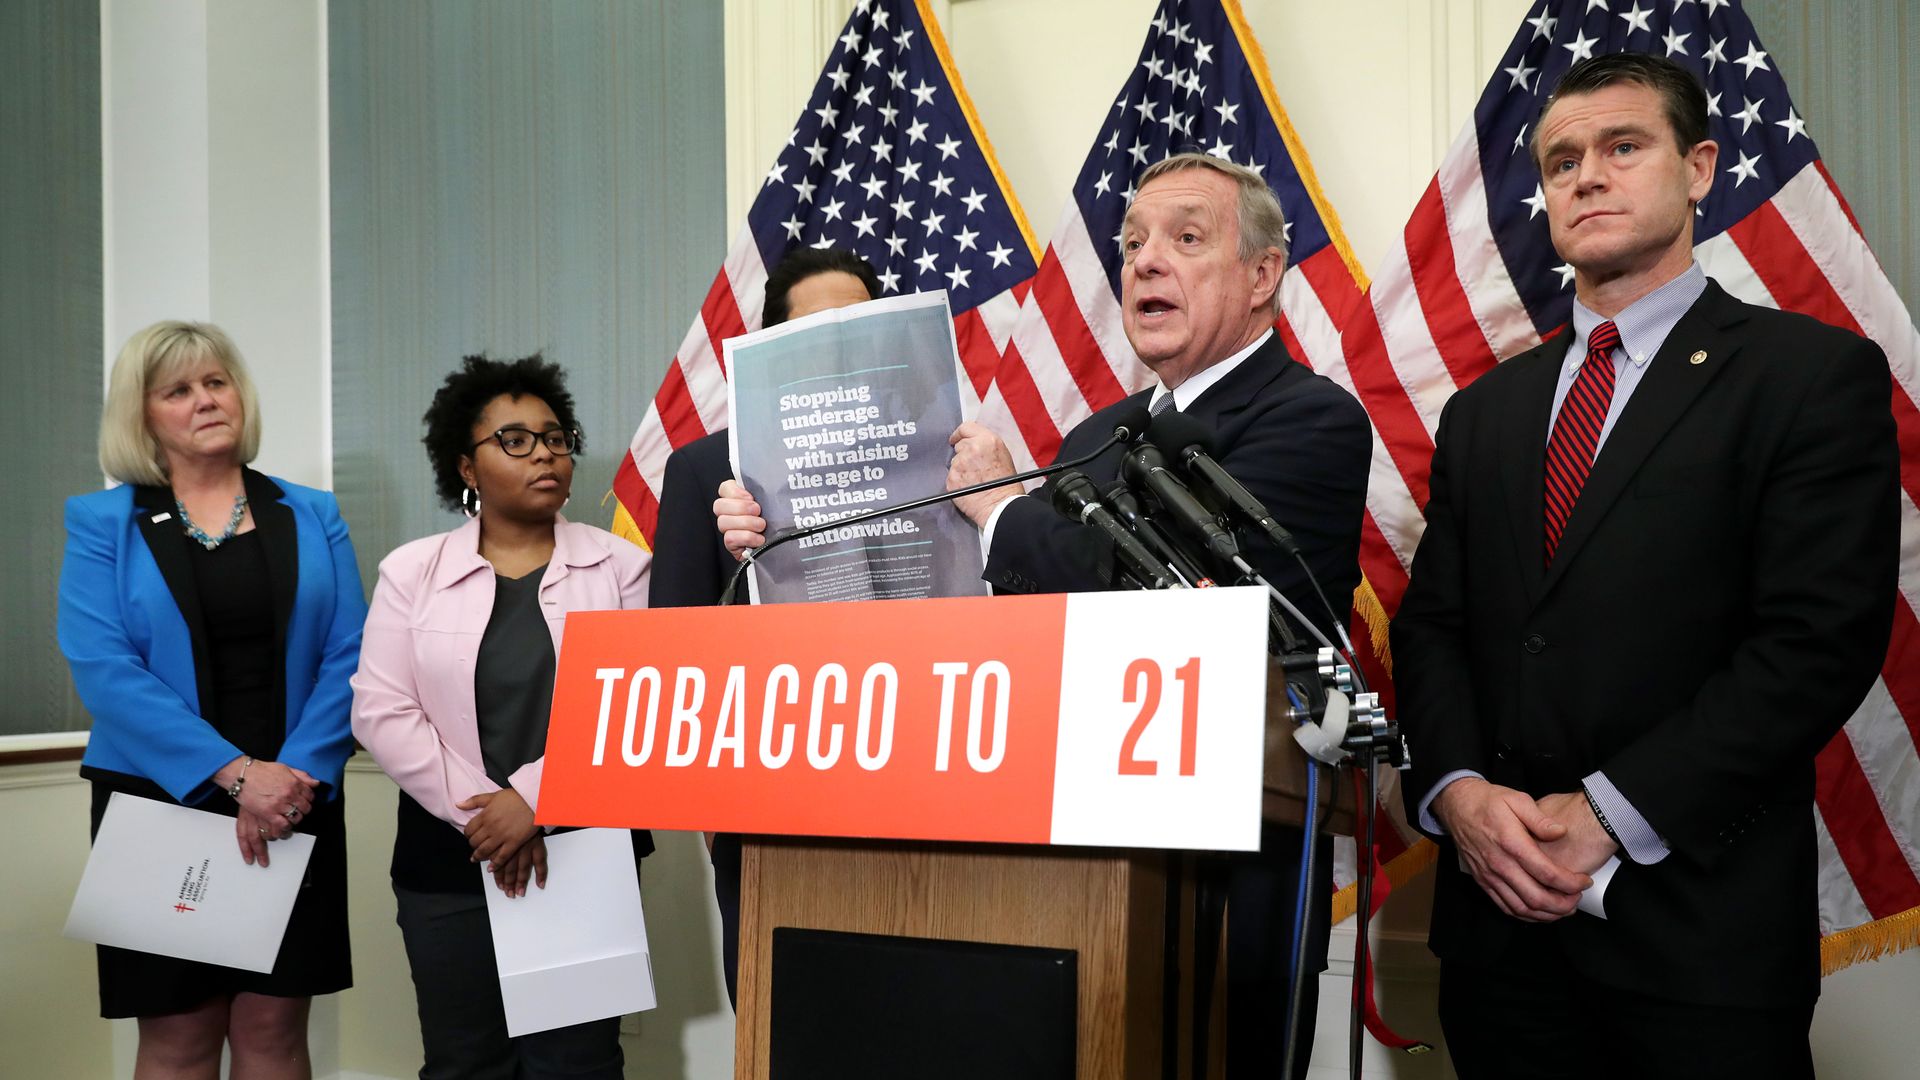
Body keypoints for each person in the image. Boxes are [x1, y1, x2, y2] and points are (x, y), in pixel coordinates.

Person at [719, 153, 1374, 1077]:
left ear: (1263, 275)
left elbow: (1188, 603)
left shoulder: (1312, 420)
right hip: (1059, 869)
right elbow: (1003, 616)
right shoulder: (1094, 440)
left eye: (1185, 240)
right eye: (1134, 242)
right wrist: (781, 538)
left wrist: (1002, 512)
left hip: (1230, 872)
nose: (1145, 263)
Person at [1392, 53, 1897, 1079]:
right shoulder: (1484, 412)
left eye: (1624, 148)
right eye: (1563, 159)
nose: (1587, 177)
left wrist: (1610, 817)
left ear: (1698, 168)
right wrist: (1454, 792)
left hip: (1698, 948)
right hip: (1498, 946)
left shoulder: (1808, 376)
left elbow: (1815, 646)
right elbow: (1434, 624)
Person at [58, 320, 365, 1079]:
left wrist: (294, 777)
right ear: (143, 415)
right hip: (158, 801)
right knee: (179, 1040)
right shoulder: (102, 524)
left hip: (297, 797)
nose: (205, 400)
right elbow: (104, 668)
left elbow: (352, 655)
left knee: (272, 1034)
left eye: (216, 382)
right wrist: (234, 774)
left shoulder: (313, 511)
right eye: (179, 390)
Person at [351, 355, 651, 1080]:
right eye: (515, 440)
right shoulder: (410, 572)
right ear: (467, 466)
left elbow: (631, 706)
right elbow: (380, 710)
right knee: (464, 1063)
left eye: (555, 436)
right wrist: (487, 816)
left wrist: (535, 804)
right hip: (445, 861)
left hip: (584, 851)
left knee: (575, 1063)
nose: (545, 452)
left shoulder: (623, 568)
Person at [650, 245, 880, 1007]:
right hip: (769, 805)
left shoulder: (932, 453)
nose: (836, 342)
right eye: (815, 327)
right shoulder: (702, 470)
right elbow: (676, 644)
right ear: (774, 345)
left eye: (856, 324)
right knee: (781, 1019)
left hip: (907, 793)